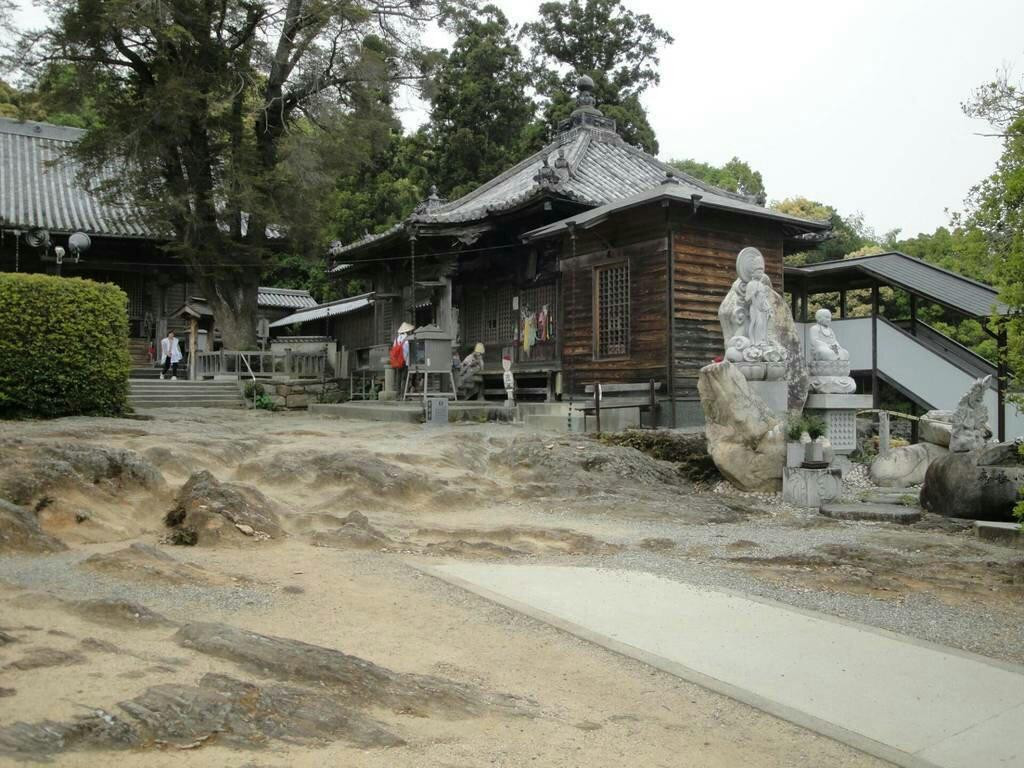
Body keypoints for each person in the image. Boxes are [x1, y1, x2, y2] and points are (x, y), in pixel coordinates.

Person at [390, 321, 414, 395]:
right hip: (404, 361)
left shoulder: (396, 339)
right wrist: (408, 360)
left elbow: (393, 349)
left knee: (398, 378)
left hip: (397, 361)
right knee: (404, 378)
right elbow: (407, 351)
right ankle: (403, 394)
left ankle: (398, 394)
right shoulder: (407, 339)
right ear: (407, 331)